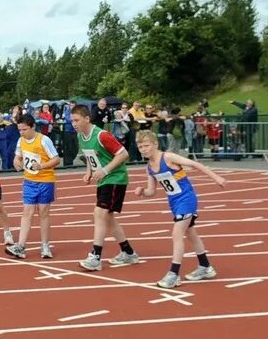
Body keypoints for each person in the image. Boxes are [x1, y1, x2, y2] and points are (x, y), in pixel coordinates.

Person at [135, 131, 226, 288]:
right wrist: (142, 192)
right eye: (140, 146)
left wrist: (216, 177)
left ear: (155, 144)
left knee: (177, 234)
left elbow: (194, 164)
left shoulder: (168, 157)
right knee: (190, 233)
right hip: (174, 202)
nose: (143, 149)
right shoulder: (149, 167)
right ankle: (205, 267)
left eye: (146, 145)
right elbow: (152, 191)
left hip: (187, 199)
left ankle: (174, 274)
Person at [70, 105, 140, 271]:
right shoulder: (81, 136)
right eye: (72, 120)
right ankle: (128, 252)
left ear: (87, 119)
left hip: (115, 178)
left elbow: (123, 154)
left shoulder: (102, 135)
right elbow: (89, 156)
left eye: (76, 120)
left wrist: (105, 170)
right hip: (102, 179)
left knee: (99, 213)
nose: (73, 124)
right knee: (107, 217)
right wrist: (88, 172)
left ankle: (95, 256)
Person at [5, 113, 59, 259]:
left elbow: (56, 159)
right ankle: (21, 246)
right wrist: (16, 161)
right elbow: (18, 155)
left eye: (24, 130)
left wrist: (41, 166)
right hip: (29, 181)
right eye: (19, 130)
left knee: (43, 213)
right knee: (26, 212)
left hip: (46, 181)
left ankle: (45, 246)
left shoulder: (44, 140)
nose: (22, 133)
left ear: (33, 127)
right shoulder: (20, 141)